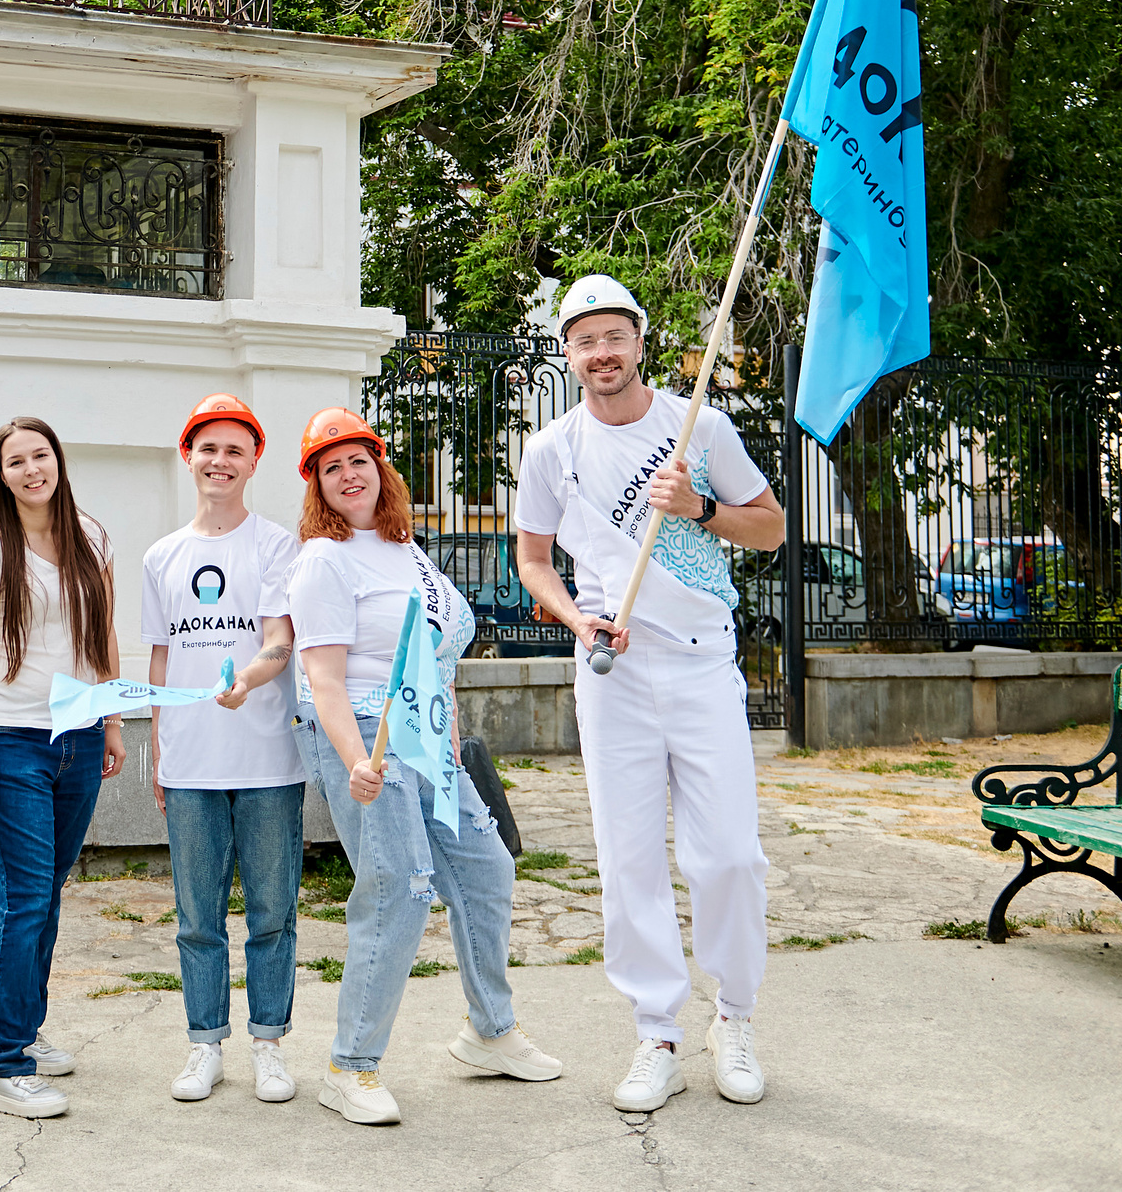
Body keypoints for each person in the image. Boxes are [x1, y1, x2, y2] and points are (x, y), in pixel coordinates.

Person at [512, 274, 786, 1112]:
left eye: (614, 336)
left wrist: (699, 507)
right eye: (584, 340)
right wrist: (577, 618)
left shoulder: (699, 425)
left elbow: (771, 526)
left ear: (639, 340)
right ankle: (657, 1031)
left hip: (701, 665)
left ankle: (733, 1018)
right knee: (629, 859)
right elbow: (533, 560)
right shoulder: (551, 449)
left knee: (729, 855)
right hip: (614, 675)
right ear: (568, 353)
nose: (601, 353)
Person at [289, 406, 562, 1126]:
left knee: (487, 867)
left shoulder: (404, 546)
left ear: (381, 468)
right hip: (366, 734)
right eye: (331, 466)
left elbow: (436, 657)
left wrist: (451, 742)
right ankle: (350, 1065)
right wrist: (356, 762)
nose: (349, 474)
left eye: (359, 460)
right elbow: (323, 680)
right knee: (401, 889)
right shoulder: (323, 559)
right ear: (318, 484)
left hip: (428, 736)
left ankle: (490, 1031)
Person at [0, 416, 126, 1119]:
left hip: (79, 736)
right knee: (25, 895)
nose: (32, 469)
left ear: (58, 460)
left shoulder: (93, 536)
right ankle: (1, 1061)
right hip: (14, 739)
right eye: (15, 461)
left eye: (40, 455)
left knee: (47, 892)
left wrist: (112, 719)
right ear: (0, 476)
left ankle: (24, 1025)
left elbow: (103, 632)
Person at [141, 394, 303, 1104]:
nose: (220, 461)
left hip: (268, 758)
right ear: (189, 456)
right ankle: (204, 1043)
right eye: (209, 448)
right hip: (191, 761)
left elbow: (279, 639)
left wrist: (251, 679)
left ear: (254, 461)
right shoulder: (162, 556)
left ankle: (269, 1044)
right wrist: (159, 749)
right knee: (197, 918)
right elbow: (160, 657)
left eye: (235, 449)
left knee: (272, 911)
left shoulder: (276, 545)